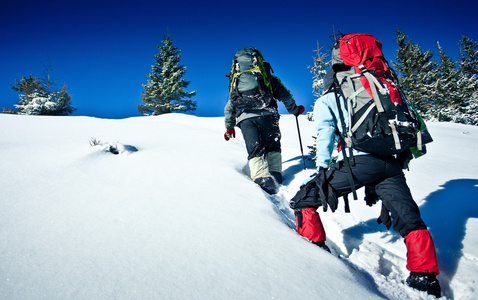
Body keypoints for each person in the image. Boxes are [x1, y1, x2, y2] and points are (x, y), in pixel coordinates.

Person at [289, 69, 441, 297]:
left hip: (356, 163)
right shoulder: (381, 92)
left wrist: (321, 170)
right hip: (391, 165)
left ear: (330, 83)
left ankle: (316, 252)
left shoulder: (328, 100)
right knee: (409, 218)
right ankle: (425, 275)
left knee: (303, 200)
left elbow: (325, 134)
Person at [224, 47, 304, 194]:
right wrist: (295, 110)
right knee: (273, 145)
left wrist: (230, 127)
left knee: (255, 149)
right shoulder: (269, 79)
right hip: (268, 116)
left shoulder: (237, 83)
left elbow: (230, 106)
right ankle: (275, 175)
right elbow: (285, 96)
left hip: (246, 120)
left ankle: (261, 178)